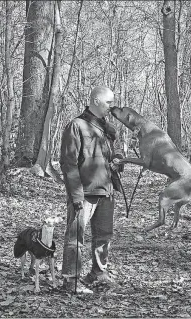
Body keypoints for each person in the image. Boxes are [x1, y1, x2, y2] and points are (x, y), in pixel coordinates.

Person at [60, 86, 123, 292]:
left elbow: (114, 158)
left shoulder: (108, 129)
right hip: (84, 194)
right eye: (109, 103)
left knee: (104, 236)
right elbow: (68, 163)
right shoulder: (76, 126)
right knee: (75, 237)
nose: (112, 107)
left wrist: (118, 162)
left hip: (106, 192)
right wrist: (76, 195)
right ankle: (72, 280)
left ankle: (98, 274)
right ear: (95, 101)